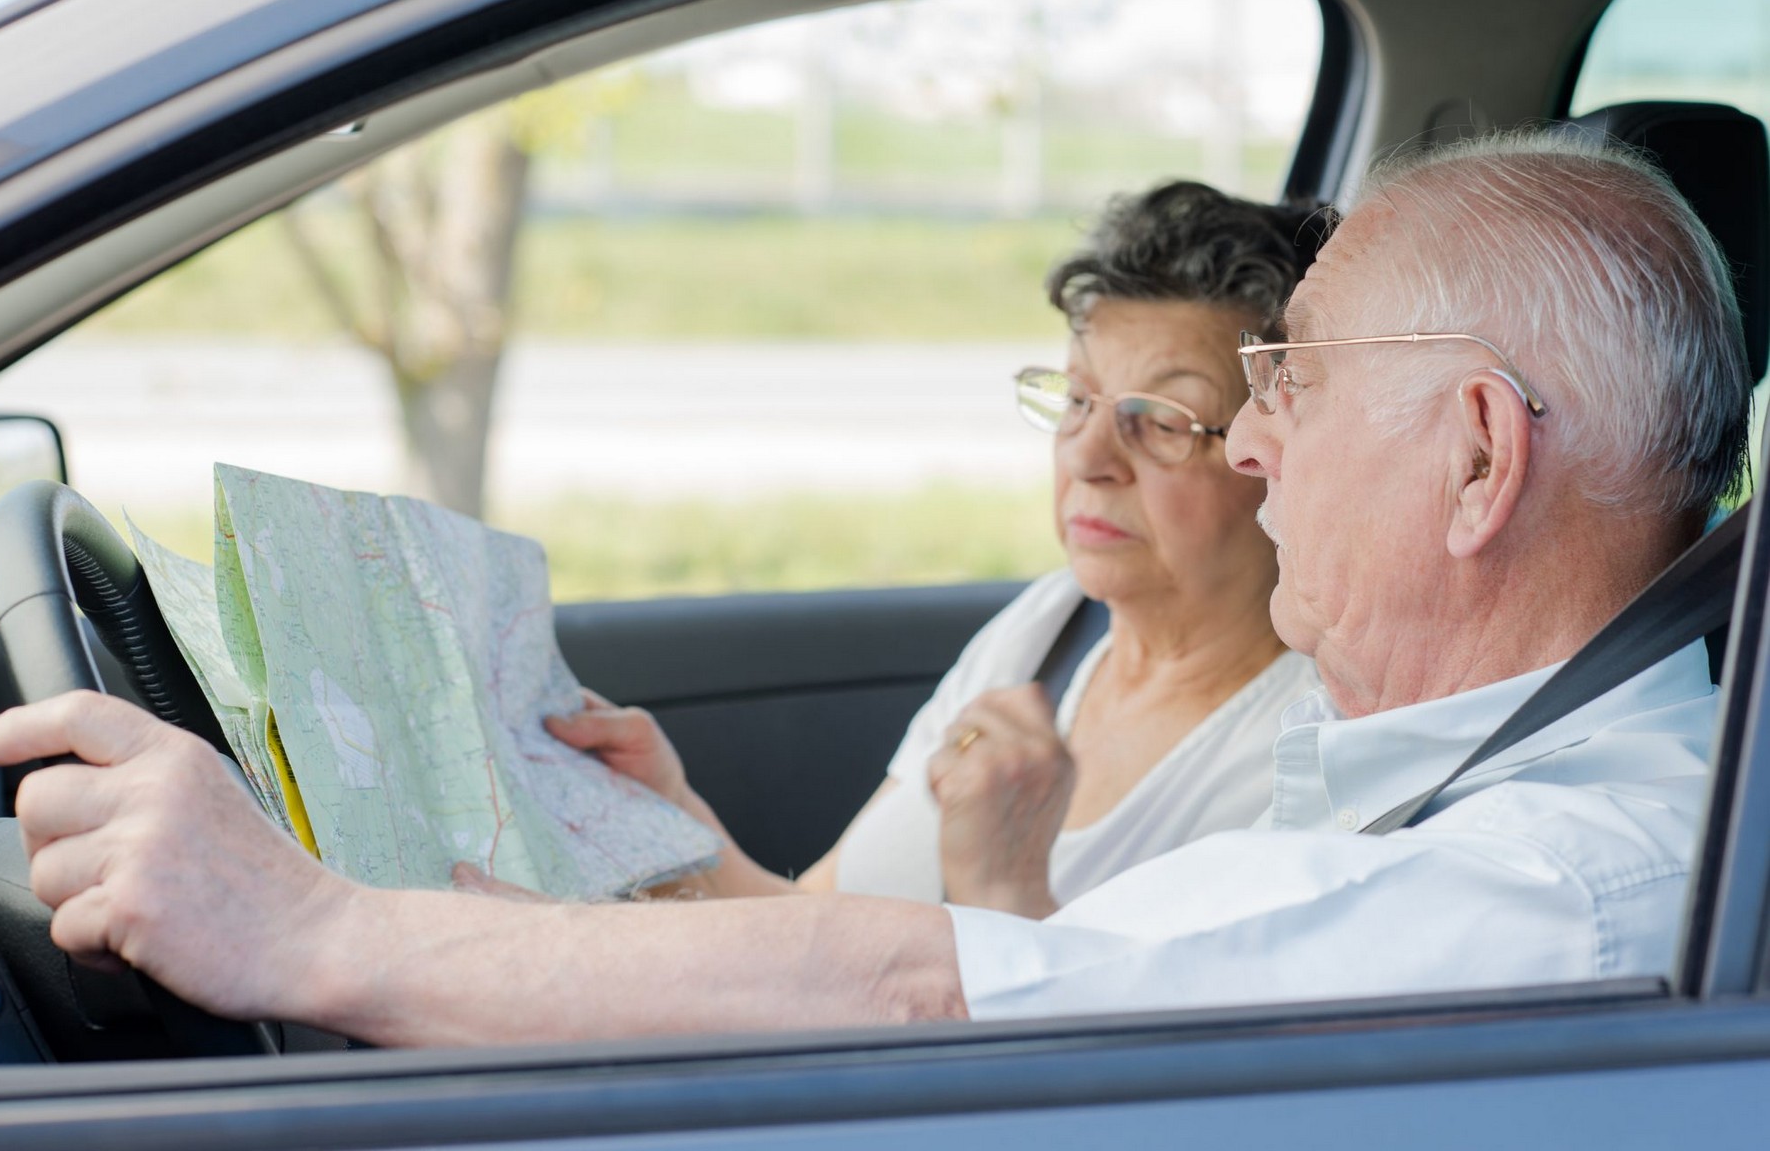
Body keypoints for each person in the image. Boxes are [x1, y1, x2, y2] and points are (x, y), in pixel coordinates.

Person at [0, 129, 1750, 1045]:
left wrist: (308, 932)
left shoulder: (1551, 890)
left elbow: (931, 994)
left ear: (1473, 460)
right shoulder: (1470, 781)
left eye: (1289, 384)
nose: (1254, 447)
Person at [532, 182, 1321, 919]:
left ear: (1275, 451)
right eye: (1079, 399)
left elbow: (1154, 1031)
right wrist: (673, 819)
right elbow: (820, 923)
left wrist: (1003, 890)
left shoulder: (1305, 759)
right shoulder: (1048, 628)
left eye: (1163, 420)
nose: (1087, 456)